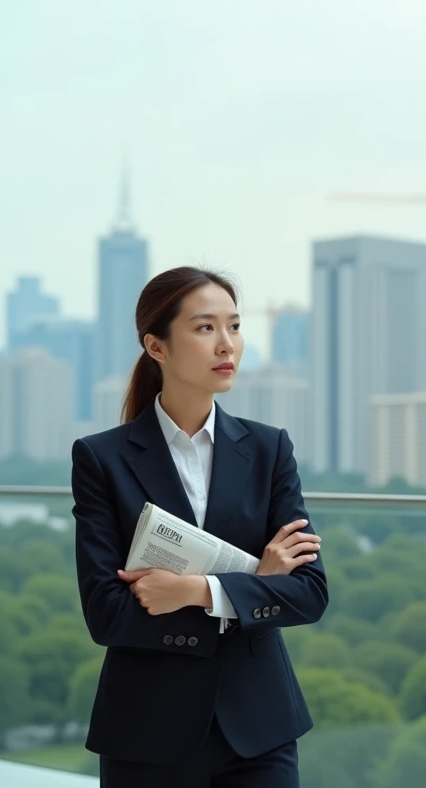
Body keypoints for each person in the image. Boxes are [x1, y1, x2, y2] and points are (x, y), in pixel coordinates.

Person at [71, 266, 328, 787]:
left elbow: (307, 592)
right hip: (146, 731)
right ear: (156, 346)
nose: (226, 344)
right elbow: (107, 614)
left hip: (260, 727)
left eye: (234, 326)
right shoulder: (102, 459)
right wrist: (257, 579)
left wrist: (192, 590)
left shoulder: (268, 449)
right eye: (205, 328)